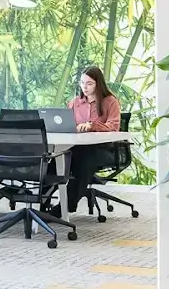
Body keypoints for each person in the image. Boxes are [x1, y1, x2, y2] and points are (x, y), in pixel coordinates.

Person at [51, 65, 122, 215]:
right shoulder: (75, 102)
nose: (85, 87)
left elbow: (114, 126)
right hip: (76, 147)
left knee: (84, 162)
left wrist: (92, 126)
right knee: (55, 161)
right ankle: (41, 201)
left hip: (102, 149)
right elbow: (67, 124)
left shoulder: (110, 102)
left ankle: (67, 205)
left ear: (98, 84)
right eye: (82, 83)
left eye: (89, 83)